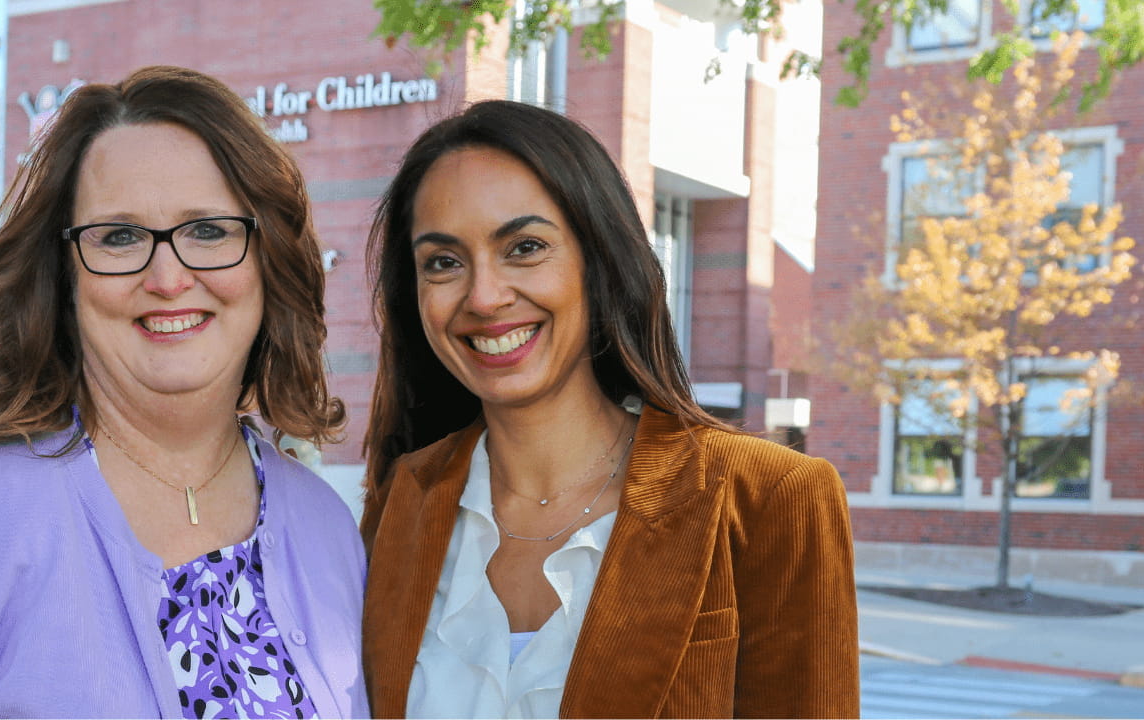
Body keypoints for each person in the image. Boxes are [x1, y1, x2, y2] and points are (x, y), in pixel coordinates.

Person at [0, 66, 367, 719]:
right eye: (119, 236)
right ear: (64, 274)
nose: (168, 277)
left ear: (267, 258)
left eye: (208, 230)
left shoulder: (324, 526)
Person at [358, 100, 858, 718]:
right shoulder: (401, 499)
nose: (484, 297)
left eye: (525, 247)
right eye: (444, 262)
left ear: (598, 263)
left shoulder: (773, 497)